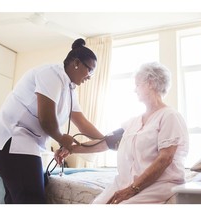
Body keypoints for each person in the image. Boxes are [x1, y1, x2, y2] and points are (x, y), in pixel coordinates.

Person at [0, 38, 104, 204]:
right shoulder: (51, 74)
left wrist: (105, 139)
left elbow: (82, 122)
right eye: (90, 70)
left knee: (18, 198)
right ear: (77, 63)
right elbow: (46, 120)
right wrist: (62, 139)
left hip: (22, 143)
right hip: (8, 140)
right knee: (31, 200)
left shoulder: (70, 89)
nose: (90, 76)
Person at [56, 62, 189, 204]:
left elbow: (165, 159)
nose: (135, 90)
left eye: (137, 85)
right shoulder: (134, 122)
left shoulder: (169, 116)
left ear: (150, 83)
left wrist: (133, 189)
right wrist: (71, 149)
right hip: (126, 182)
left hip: (157, 184)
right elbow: (106, 143)